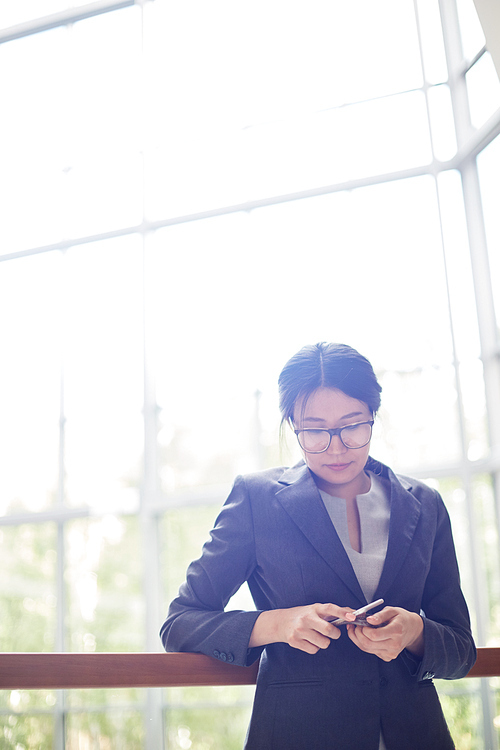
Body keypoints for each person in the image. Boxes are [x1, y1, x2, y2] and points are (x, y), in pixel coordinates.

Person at [160, 342, 476, 750]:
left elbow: (461, 648)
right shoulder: (257, 500)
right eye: (315, 431)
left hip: (416, 735)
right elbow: (180, 622)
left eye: (352, 425)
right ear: (293, 425)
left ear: (372, 417)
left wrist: (415, 631)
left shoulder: (424, 504)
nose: (337, 446)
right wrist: (277, 624)